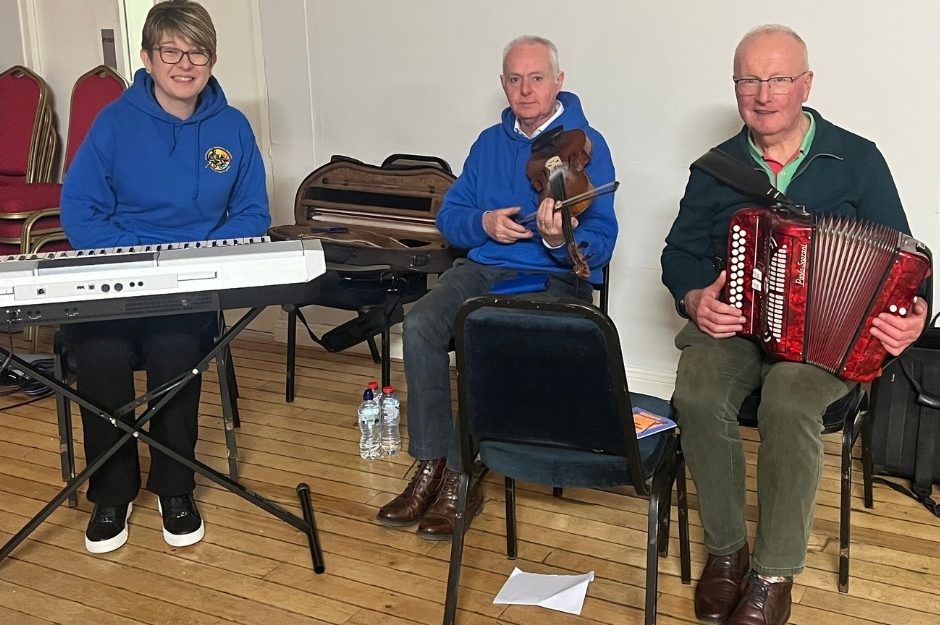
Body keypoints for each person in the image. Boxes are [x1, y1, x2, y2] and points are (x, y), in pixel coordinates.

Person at [661, 25, 927, 625]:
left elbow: (909, 263)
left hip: (824, 347)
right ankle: (727, 553)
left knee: (787, 400)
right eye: (749, 79)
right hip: (739, 328)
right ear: (735, 87)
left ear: (805, 84)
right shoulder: (717, 168)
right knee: (697, 391)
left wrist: (917, 315)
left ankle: (773, 574)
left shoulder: (857, 159)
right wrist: (695, 294)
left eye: (777, 78)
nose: (763, 93)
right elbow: (677, 253)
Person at [376, 35, 617, 540]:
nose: (525, 90)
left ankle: (465, 477)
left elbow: (602, 239)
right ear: (503, 84)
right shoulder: (488, 143)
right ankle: (431, 463)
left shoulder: (585, 144)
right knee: (420, 323)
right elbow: (451, 215)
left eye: (536, 78)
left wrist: (559, 237)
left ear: (559, 81)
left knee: (487, 334)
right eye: (514, 79)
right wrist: (483, 223)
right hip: (483, 271)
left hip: (551, 279)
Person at [60, 0, 270, 554]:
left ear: (212, 59)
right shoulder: (114, 123)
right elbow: (80, 213)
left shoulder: (233, 127)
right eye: (170, 51)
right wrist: (144, 255)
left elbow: (253, 215)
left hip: (188, 286)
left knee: (176, 347)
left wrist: (193, 258)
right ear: (148, 58)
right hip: (113, 280)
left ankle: (176, 488)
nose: (184, 63)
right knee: (100, 355)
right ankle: (113, 493)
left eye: (196, 51)